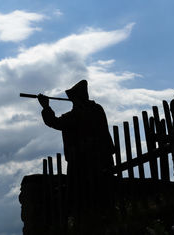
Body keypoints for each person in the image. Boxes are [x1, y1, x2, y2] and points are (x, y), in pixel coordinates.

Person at [37, 80, 115, 226]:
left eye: (73, 98)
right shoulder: (96, 109)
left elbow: (55, 122)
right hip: (100, 160)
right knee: (100, 198)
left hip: (82, 162)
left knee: (85, 199)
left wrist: (46, 107)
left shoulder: (79, 114)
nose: (72, 101)